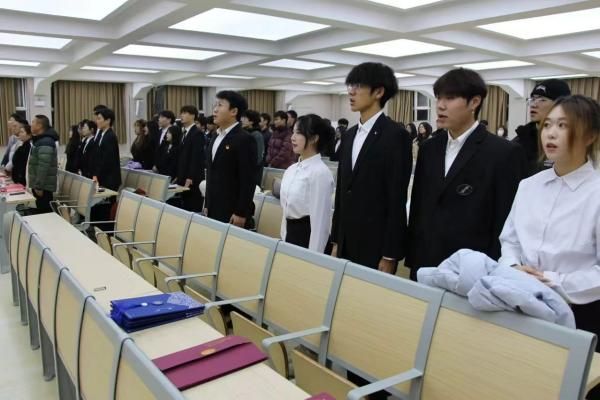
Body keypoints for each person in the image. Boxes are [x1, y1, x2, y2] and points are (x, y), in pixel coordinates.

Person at [499, 96, 600, 398]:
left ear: (591, 136)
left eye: (563, 126)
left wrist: (552, 281)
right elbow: (510, 240)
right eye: (547, 125)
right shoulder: (529, 186)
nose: (551, 133)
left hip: (580, 312)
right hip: (522, 302)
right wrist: (513, 267)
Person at [331, 61, 412, 400]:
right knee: (350, 314)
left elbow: (397, 197)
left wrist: (391, 253)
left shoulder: (396, 136)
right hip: (348, 242)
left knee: (374, 319)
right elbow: (342, 192)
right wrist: (336, 240)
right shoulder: (350, 135)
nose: (351, 92)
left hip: (377, 244)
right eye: (350, 86)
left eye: (358, 86)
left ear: (379, 92)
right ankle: (352, 382)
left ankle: (377, 389)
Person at [406, 68, 527, 280]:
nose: (440, 105)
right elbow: (419, 207)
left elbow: (504, 220)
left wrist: (494, 273)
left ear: (474, 102)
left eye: (450, 98)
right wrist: (413, 258)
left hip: (472, 269)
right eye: (439, 98)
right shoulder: (429, 148)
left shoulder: (502, 153)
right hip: (426, 262)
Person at [280, 114, 334, 252]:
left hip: (307, 237)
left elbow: (320, 222)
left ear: (314, 138)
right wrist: (283, 237)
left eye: (298, 133)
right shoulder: (291, 169)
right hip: (290, 234)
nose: (293, 137)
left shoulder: (320, 173)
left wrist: (314, 256)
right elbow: (286, 211)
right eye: (293, 132)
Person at [205, 90, 256, 228]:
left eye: (220, 105)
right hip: (213, 207)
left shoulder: (245, 139)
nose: (215, 110)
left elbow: (248, 180)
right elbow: (211, 173)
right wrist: (207, 204)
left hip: (232, 210)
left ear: (234, 111)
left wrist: (241, 212)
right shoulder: (215, 136)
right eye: (215, 105)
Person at [513, 79, 571, 176]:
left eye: (542, 100)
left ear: (560, 105)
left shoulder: (573, 140)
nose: (533, 105)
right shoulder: (520, 142)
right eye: (532, 99)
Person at [175, 105, 206, 212]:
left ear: (193, 116)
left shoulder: (197, 133)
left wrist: (190, 176)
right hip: (182, 175)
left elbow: (196, 158)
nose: (181, 115)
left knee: (192, 206)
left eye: (185, 113)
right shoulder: (183, 133)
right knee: (183, 206)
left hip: (192, 178)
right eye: (181, 113)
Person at [28, 115, 58, 213]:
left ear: (39, 125)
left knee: (45, 213)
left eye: (33, 122)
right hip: (41, 185)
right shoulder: (41, 140)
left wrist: (39, 186)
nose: (31, 125)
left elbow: (43, 166)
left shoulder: (46, 141)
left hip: (44, 187)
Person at [92, 107, 121, 191]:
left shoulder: (110, 136)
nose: (97, 121)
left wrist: (96, 174)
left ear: (108, 120)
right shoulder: (102, 134)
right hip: (103, 177)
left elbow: (107, 159)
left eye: (99, 119)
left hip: (109, 179)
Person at [241, 109, 265, 187]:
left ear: (251, 122)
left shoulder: (257, 135)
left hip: (253, 173)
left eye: (244, 118)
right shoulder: (244, 133)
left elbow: (258, 158)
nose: (242, 120)